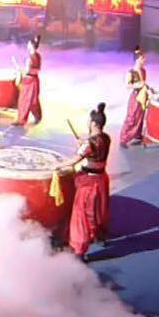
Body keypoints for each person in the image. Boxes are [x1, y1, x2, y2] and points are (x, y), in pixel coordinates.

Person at [63, 103, 112, 260]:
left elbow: (74, 160)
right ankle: (100, 236)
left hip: (89, 183)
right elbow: (95, 148)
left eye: (89, 121)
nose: (87, 122)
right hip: (101, 179)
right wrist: (83, 144)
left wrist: (58, 165)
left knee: (81, 214)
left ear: (94, 123)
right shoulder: (106, 138)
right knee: (99, 211)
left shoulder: (89, 143)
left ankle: (79, 249)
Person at [119, 46, 153, 147]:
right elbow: (127, 85)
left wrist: (148, 89)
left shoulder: (143, 71)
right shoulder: (131, 72)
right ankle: (123, 138)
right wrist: (138, 85)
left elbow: (144, 83)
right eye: (143, 58)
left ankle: (137, 135)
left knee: (140, 117)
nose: (144, 60)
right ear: (138, 59)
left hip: (142, 95)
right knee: (132, 117)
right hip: (135, 97)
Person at [14, 35, 43, 126]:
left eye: (28, 43)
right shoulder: (38, 56)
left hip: (29, 82)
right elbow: (37, 69)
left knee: (24, 101)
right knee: (34, 101)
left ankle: (21, 120)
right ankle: (38, 117)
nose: (27, 45)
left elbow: (27, 71)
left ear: (31, 45)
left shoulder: (29, 59)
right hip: (35, 80)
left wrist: (17, 67)